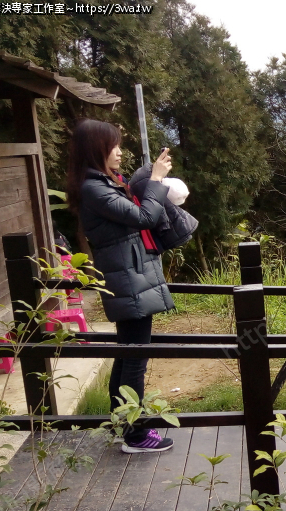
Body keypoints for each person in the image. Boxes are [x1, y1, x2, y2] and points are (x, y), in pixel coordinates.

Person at [65, 118, 175, 454]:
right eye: (112, 146)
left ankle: (122, 426)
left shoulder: (101, 183)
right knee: (135, 357)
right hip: (128, 277)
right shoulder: (93, 188)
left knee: (127, 353)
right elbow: (144, 218)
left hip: (129, 275)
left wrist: (150, 178)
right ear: (95, 149)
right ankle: (136, 436)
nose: (119, 152)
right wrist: (156, 180)